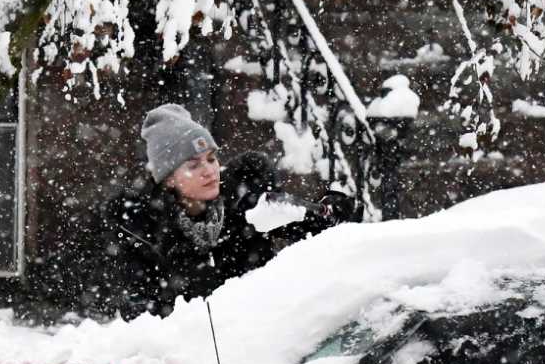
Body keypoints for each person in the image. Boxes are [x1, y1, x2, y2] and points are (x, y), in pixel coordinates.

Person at [93, 103, 356, 319]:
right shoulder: (146, 233)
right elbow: (141, 315)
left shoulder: (245, 201)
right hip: (200, 356)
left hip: (269, 334)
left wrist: (329, 211)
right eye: (193, 165)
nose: (209, 171)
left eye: (211, 159)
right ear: (169, 179)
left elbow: (305, 225)